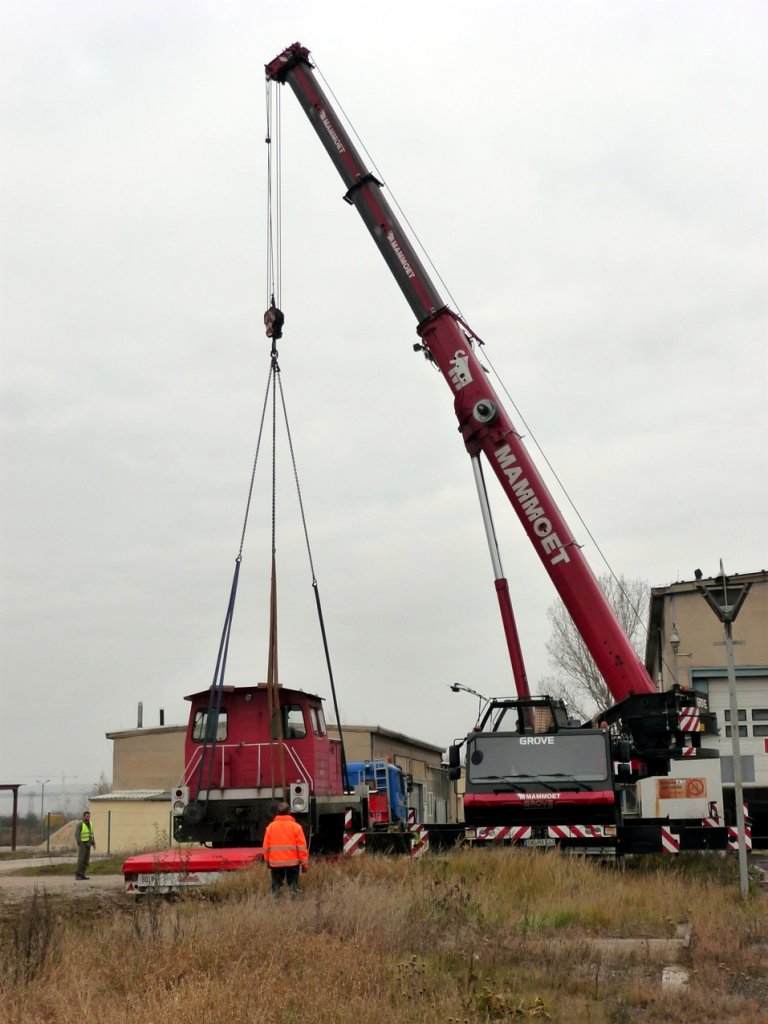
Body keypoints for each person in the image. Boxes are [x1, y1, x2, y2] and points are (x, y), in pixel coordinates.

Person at [262, 802, 308, 894]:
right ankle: (294, 904)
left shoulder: (270, 828)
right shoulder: (297, 827)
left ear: (277, 813)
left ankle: (276, 904)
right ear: (289, 812)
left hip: (275, 864)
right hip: (293, 864)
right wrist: (304, 865)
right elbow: (302, 848)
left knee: (276, 888)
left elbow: (266, 847)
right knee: (293, 888)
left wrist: (267, 861)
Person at [75, 809, 95, 880]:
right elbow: (77, 834)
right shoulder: (80, 824)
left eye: (89, 816)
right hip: (82, 844)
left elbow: (91, 834)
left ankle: (82, 874)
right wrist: (80, 843)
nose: (88, 817)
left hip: (88, 844)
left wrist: (93, 842)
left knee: (86, 861)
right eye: (87, 816)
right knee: (81, 860)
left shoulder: (91, 824)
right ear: (83, 816)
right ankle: (78, 874)